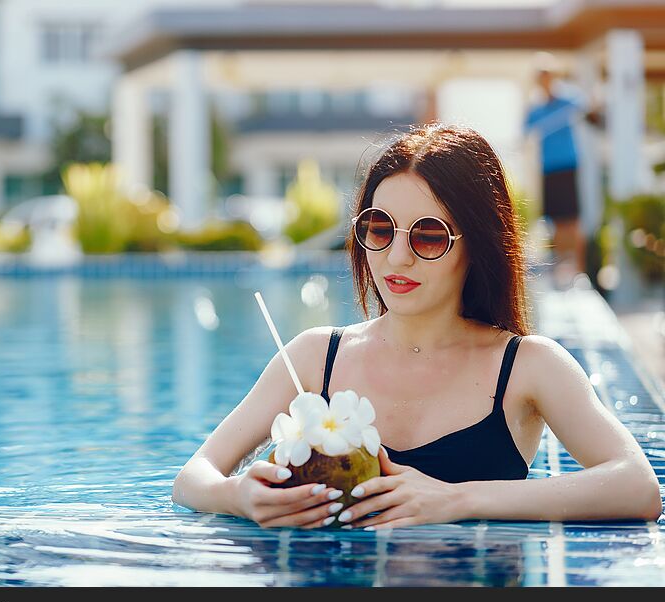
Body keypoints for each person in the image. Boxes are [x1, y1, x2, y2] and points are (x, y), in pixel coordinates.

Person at [172, 124, 661, 530]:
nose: (396, 257)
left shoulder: (526, 366)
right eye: (380, 229)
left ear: (479, 244)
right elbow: (193, 477)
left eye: (428, 234)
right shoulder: (314, 357)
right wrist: (238, 495)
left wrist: (457, 500)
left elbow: (637, 486)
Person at [523, 55, 596, 284]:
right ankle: (560, 270)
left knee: (572, 219)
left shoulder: (569, 99)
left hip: (568, 165)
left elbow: (586, 105)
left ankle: (579, 271)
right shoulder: (535, 109)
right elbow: (526, 130)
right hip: (549, 167)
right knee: (554, 220)